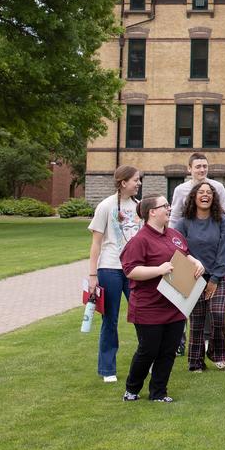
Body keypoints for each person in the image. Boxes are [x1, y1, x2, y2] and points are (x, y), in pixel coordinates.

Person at [119, 193, 203, 401]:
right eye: (164, 205)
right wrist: (159, 270)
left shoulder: (174, 234)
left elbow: (184, 253)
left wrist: (196, 263)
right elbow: (130, 271)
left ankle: (158, 392)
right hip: (149, 307)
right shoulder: (139, 240)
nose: (169, 208)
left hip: (175, 305)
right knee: (148, 351)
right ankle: (132, 389)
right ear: (152, 212)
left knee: (168, 351)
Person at [85, 164, 143, 383]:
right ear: (123, 182)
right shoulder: (106, 206)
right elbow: (96, 243)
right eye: (135, 180)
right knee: (110, 319)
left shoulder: (139, 207)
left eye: (139, 180)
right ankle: (108, 369)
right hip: (110, 269)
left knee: (142, 316)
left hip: (135, 270)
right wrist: (92, 276)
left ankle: (145, 361)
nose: (138, 183)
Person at [170, 179, 225, 371]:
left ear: (214, 198)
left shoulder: (223, 222)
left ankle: (218, 353)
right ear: (193, 197)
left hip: (219, 275)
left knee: (218, 314)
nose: (205, 195)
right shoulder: (183, 223)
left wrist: (214, 279)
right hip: (193, 277)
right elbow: (178, 250)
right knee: (196, 320)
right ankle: (195, 361)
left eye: (209, 192)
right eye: (201, 192)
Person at [170, 151, 225, 218]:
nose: (202, 170)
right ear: (189, 168)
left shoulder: (218, 187)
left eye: (205, 166)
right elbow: (175, 217)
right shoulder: (180, 190)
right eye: (198, 167)